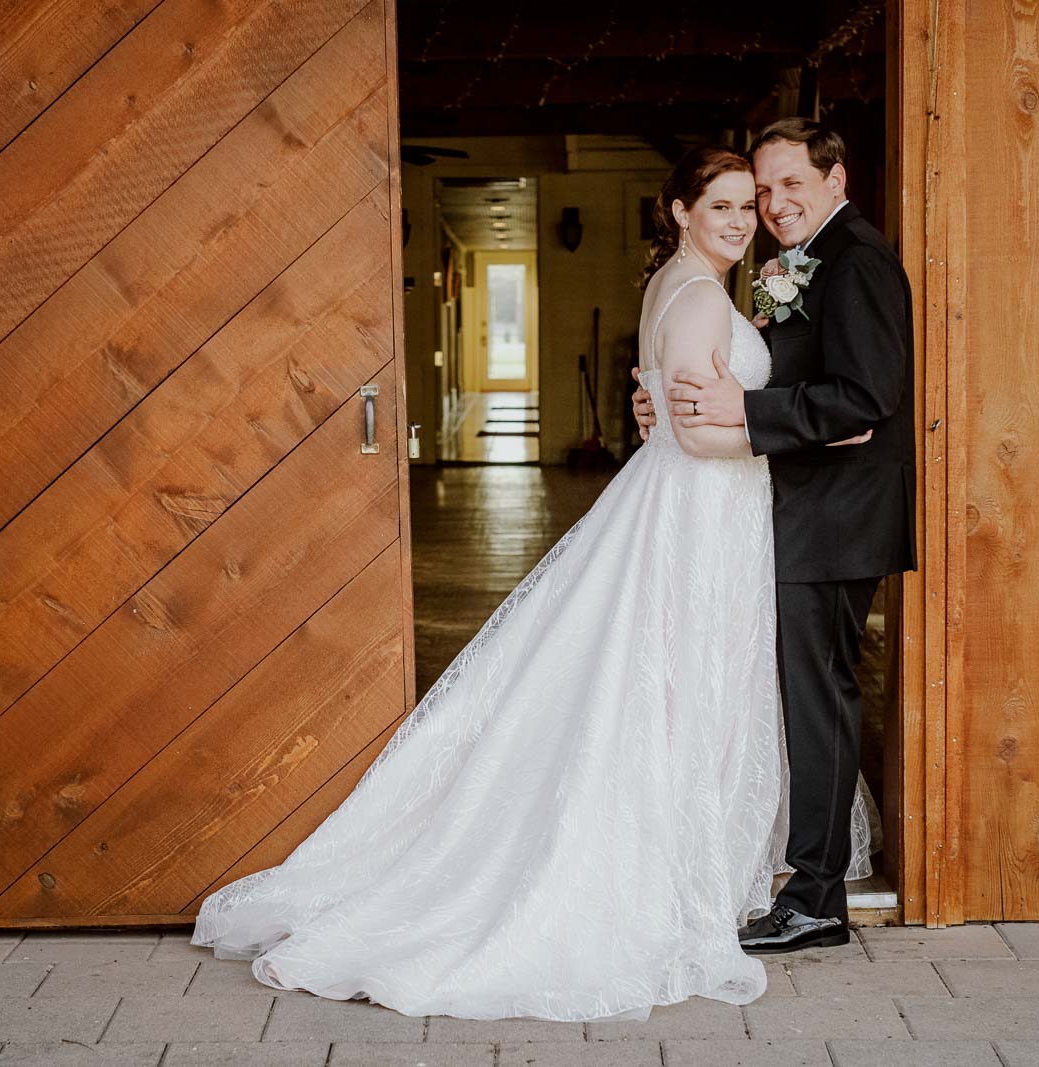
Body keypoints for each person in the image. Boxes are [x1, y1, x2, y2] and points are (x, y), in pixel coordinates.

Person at [190, 145, 873, 1022]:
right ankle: (669, 871)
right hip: (704, 509)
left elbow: (676, 410)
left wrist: (686, 412)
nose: (742, 220)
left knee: (661, 684)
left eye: (750, 206)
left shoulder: (678, 285)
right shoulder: (703, 299)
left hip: (690, 504)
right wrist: (808, 434)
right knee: (685, 685)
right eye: (724, 207)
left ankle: (676, 857)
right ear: (680, 211)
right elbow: (702, 437)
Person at [632, 119, 916, 954]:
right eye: (764, 190)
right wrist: (667, 401)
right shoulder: (799, 263)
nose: (775, 204)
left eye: (793, 184)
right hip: (789, 510)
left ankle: (818, 898)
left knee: (817, 702)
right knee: (795, 700)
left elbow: (865, 398)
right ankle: (802, 881)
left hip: (834, 519)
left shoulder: (858, 259)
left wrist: (744, 411)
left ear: (836, 179)